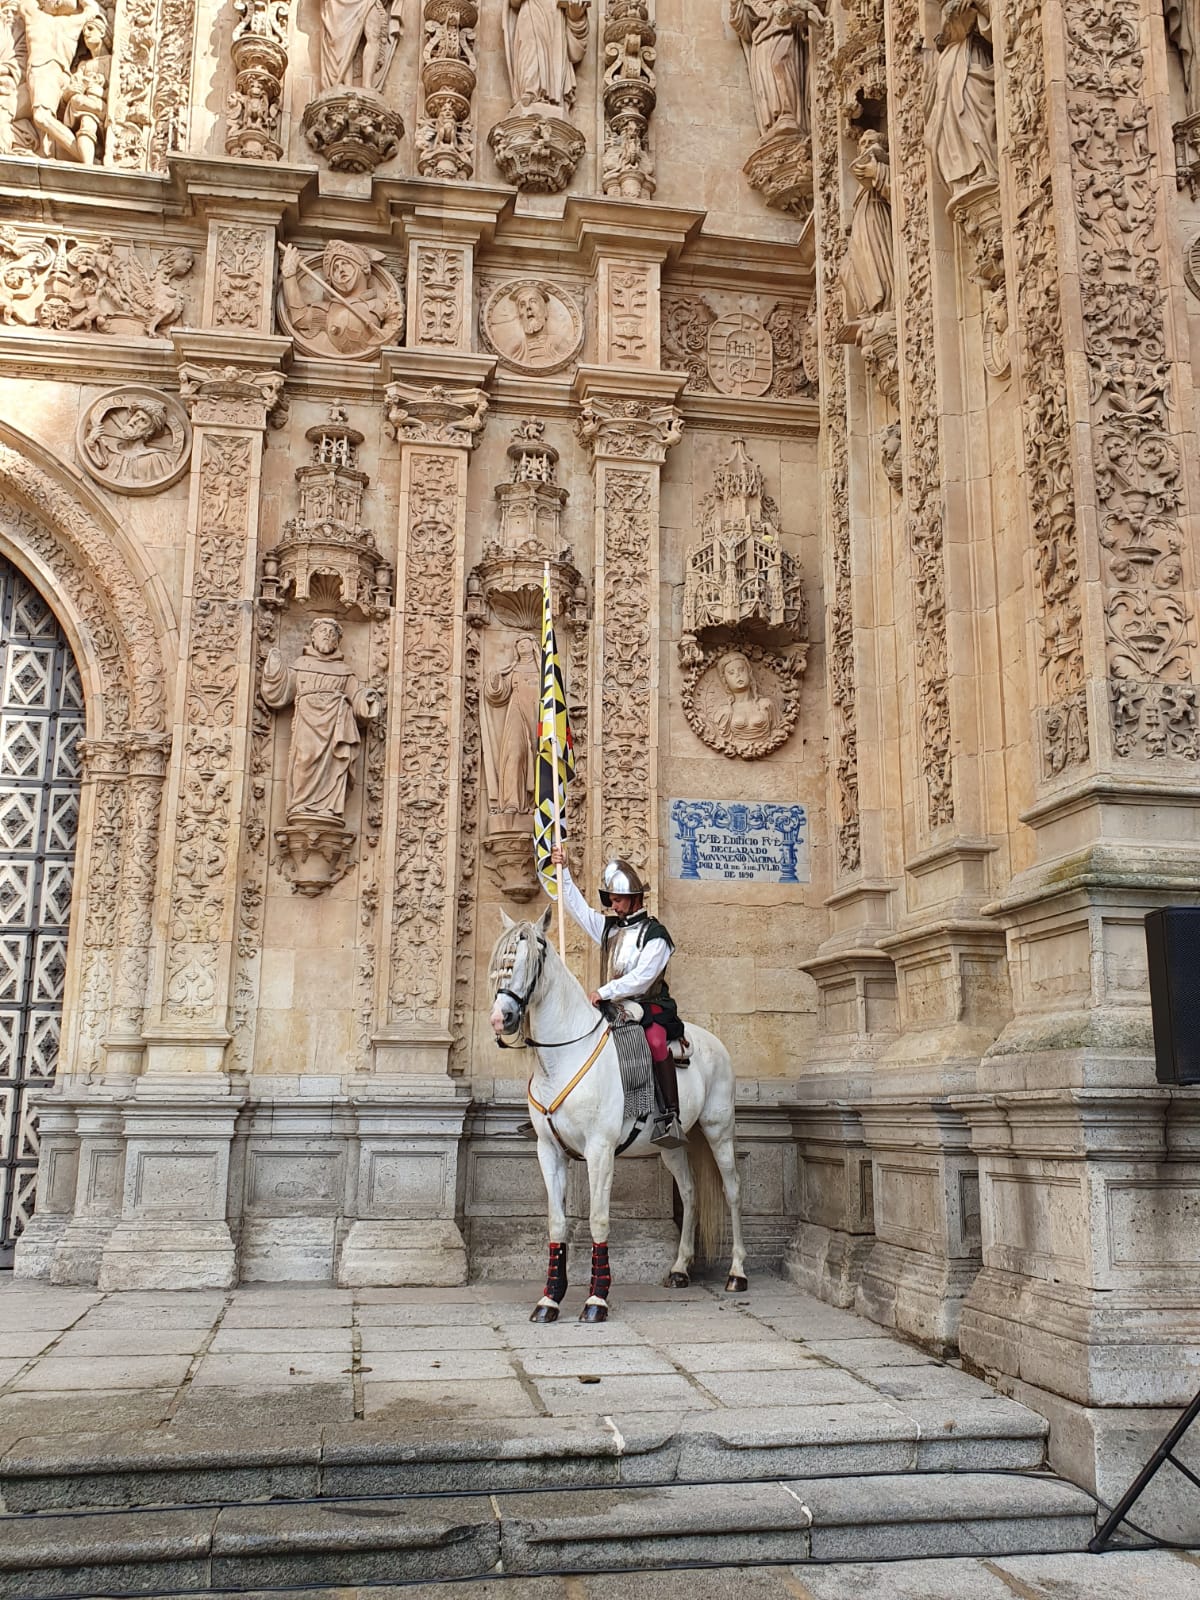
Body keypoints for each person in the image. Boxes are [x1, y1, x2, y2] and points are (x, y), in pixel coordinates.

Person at [550, 843, 688, 1148]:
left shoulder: (656, 935)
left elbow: (641, 980)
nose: (613, 905)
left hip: (648, 1005)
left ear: (635, 898)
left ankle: (670, 1115)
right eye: (611, 900)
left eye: (618, 900)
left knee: (653, 1040)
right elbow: (576, 909)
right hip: (611, 1007)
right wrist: (564, 872)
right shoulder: (609, 928)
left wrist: (603, 991)